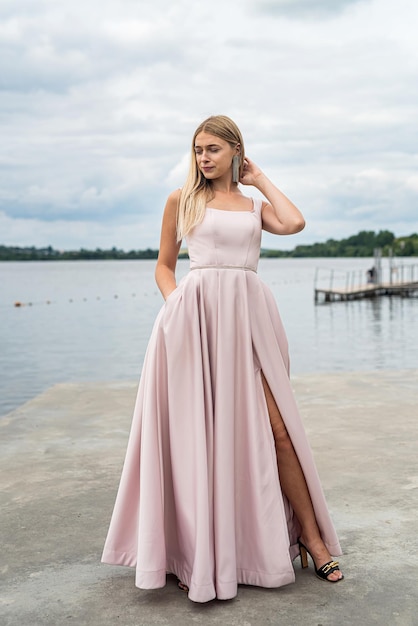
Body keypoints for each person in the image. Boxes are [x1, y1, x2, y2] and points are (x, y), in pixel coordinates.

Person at [102, 115, 343, 603]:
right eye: (197, 150)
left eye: (213, 149)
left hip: (251, 324)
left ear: (236, 151)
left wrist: (259, 178)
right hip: (193, 327)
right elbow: (165, 267)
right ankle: (198, 553)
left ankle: (312, 542)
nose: (203, 158)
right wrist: (177, 312)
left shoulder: (254, 205)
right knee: (200, 440)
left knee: (278, 430)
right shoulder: (181, 200)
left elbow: (294, 222)